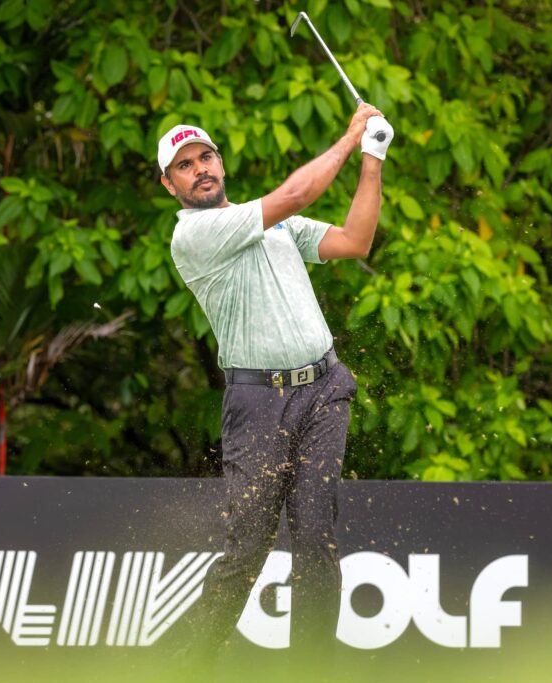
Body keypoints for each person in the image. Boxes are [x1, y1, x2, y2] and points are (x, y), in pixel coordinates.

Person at [158, 103, 394, 677]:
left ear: (220, 160)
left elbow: (355, 241)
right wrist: (348, 138)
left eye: (206, 156)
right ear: (170, 186)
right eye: (185, 166)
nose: (200, 170)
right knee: (248, 549)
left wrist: (372, 159)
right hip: (258, 403)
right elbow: (293, 196)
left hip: (323, 389)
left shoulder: (271, 224)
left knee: (316, 539)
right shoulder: (197, 234)